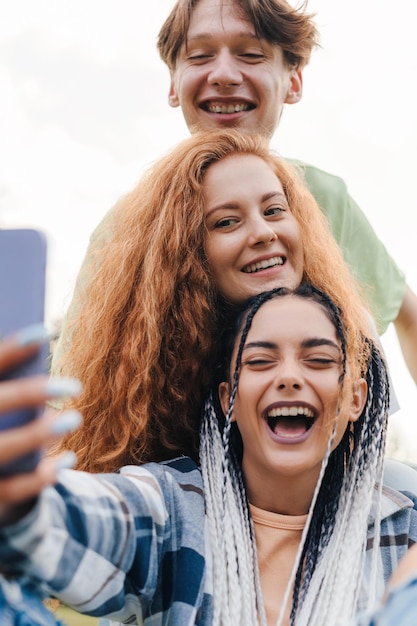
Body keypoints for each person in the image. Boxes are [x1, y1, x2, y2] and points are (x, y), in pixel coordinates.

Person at [1, 285, 416, 626]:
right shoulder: (174, 510)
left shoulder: (406, 528)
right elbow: (78, 516)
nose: (289, 377)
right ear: (227, 401)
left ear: (356, 398)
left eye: (319, 359)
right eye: (259, 360)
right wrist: (22, 499)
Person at [52, 0, 417, 387]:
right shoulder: (126, 226)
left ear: (293, 82)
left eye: (251, 54)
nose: (224, 74)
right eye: (199, 55)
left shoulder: (323, 198)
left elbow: (406, 315)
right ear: (173, 83)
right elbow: (74, 390)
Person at [50, 129, 372, 473]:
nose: (264, 232)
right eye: (227, 221)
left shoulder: (349, 337)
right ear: (187, 253)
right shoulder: (155, 474)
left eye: (275, 210)